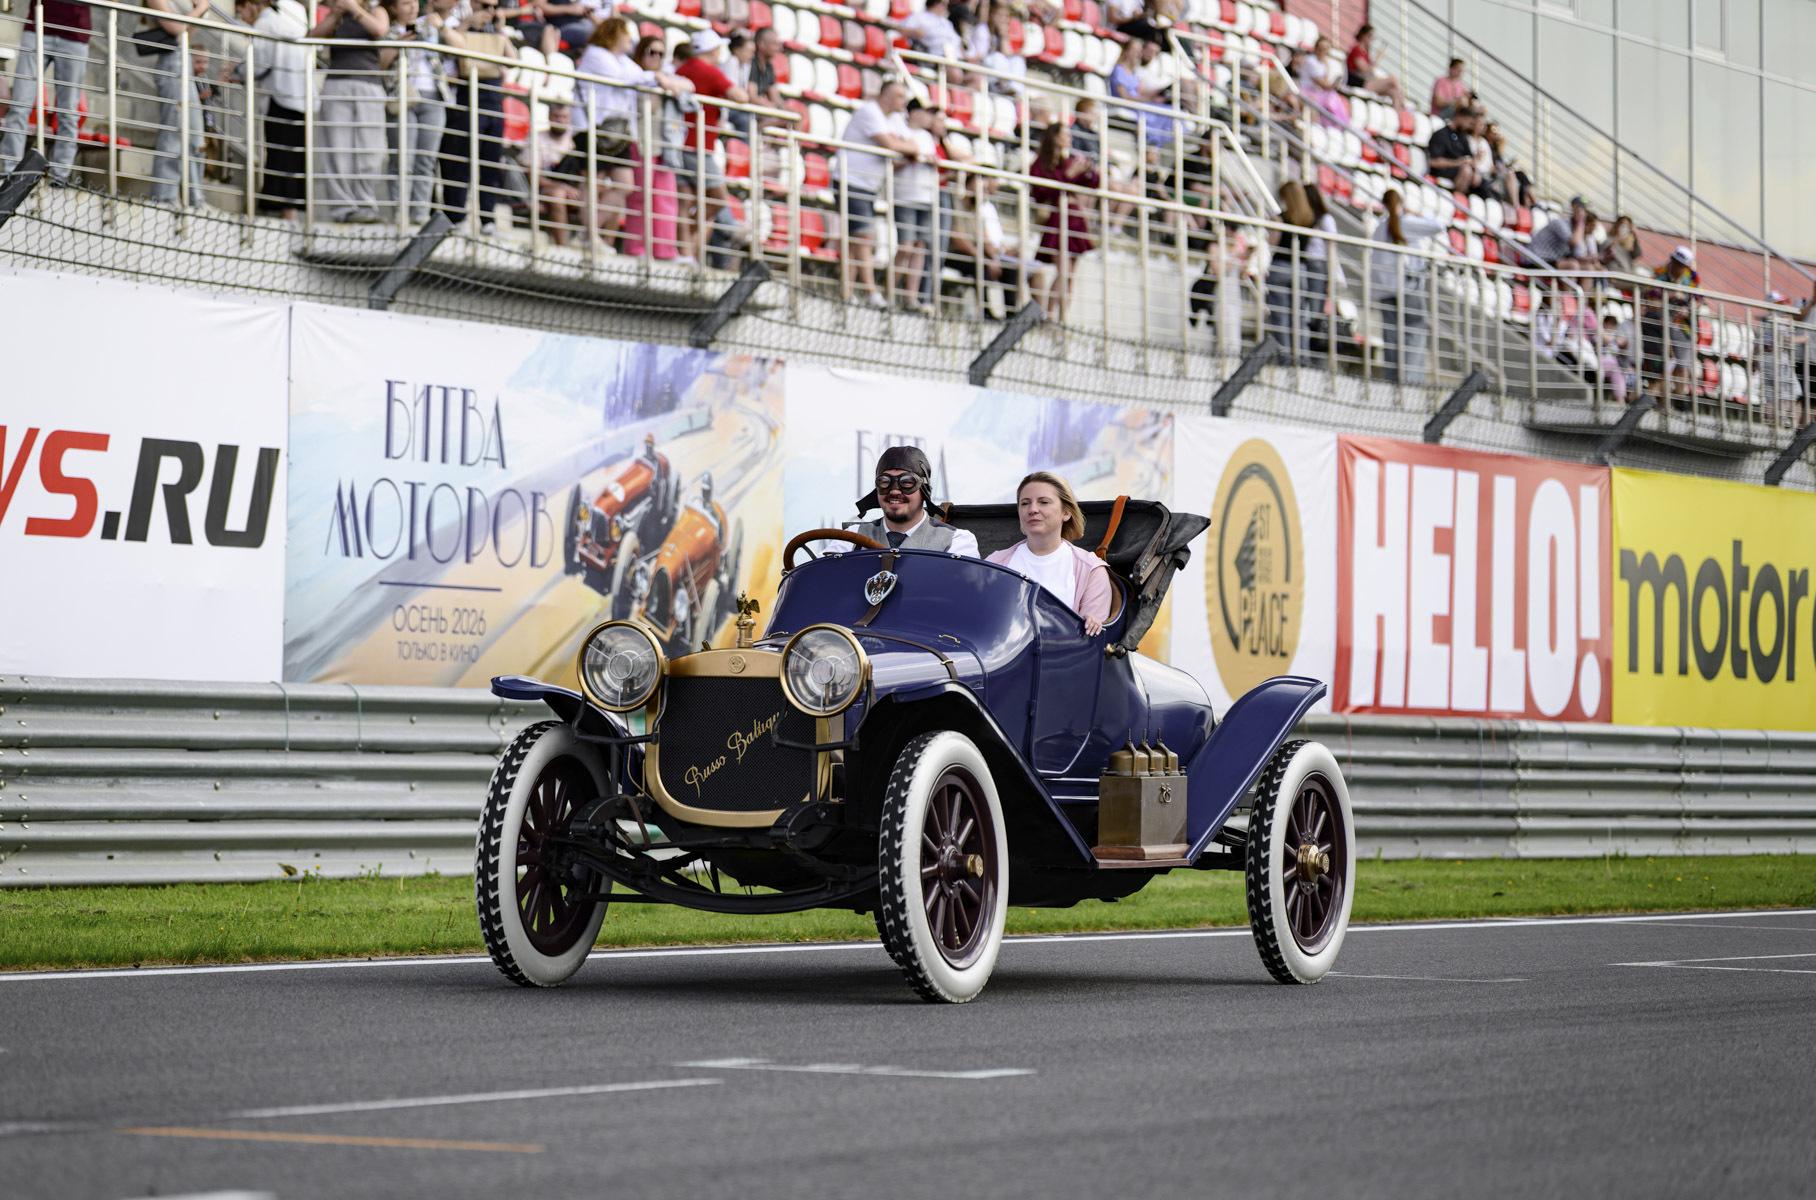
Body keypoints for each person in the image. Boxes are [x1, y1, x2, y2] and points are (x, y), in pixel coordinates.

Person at [987, 472, 1112, 637]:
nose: (1032, 509)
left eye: (1044, 502)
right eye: (1025, 503)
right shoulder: (994, 563)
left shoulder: (1091, 570)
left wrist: (1091, 621)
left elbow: (1088, 641)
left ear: (1066, 512)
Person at [310, 0, 396, 223]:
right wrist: (335, 15)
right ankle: (342, 208)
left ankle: (366, 204)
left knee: (370, 150)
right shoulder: (336, 15)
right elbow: (312, 37)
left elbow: (379, 30)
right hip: (336, 84)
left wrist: (354, 10)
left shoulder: (377, 11)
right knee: (337, 149)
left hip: (369, 85)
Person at [837, 78, 920, 306]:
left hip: (867, 185)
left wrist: (903, 146)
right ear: (887, 96)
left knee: (856, 240)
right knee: (864, 237)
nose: (904, 101)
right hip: (851, 181)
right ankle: (871, 291)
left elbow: (912, 145)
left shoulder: (893, 119)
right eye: (900, 96)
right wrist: (901, 146)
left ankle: (847, 293)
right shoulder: (869, 111)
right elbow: (892, 145)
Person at [229, 0, 311, 218]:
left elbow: (260, 64)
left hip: (280, 97)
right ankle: (290, 213)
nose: (242, 18)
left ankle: (283, 213)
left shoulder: (265, 23)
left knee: (279, 155)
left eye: (240, 11)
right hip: (300, 96)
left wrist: (237, 72)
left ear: (250, 5)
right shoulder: (293, 16)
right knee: (294, 156)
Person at [437, 0, 515, 230]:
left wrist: (500, 30)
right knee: (460, 162)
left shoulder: (496, 30)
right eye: (484, 5)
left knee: (490, 164)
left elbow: (512, 60)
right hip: (466, 99)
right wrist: (467, 23)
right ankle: (456, 217)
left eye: (494, 6)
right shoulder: (458, 24)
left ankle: (487, 219)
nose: (490, 10)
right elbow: (450, 48)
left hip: (493, 101)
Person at [672, 30, 748, 262]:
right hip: (698, 146)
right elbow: (741, 97)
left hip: (678, 142)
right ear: (713, 50)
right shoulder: (710, 72)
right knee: (717, 199)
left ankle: (684, 252)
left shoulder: (683, 69)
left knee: (685, 201)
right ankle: (688, 243)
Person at [0, 0, 94, 187]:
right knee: (19, 106)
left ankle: (60, 178)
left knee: (68, 113)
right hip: (38, 25)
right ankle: (10, 174)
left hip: (75, 33)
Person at [138, 0, 213, 205]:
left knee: (195, 136)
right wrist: (200, 8)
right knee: (174, 132)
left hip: (183, 62)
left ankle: (195, 197)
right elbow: (176, 27)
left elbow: (187, 32)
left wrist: (198, 10)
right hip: (171, 65)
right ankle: (165, 196)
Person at [1370, 187, 1447, 385]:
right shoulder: (1405, 222)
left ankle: (1392, 380)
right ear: (1401, 204)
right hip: (1407, 286)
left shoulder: (1379, 228)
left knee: (1391, 335)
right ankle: (1411, 381)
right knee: (1414, 330)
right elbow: (1438, 225)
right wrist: (1417, 213)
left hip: (1384, 290)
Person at [849, 446, 981, 557]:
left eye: (906, 482)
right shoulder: (851, 538)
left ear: (924, 489)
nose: (894, 491)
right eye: (884, 481)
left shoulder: (956, 542)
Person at [387, 0, 449, 225]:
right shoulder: (389, 30)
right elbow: (381, 62)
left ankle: (420, 213)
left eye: (415, 2)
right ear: (394, 8)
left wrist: (440, 27)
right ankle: (399, 211)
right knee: (402, 158)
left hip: (434, 96)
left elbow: (459, 48)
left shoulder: (430, 27)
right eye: (406, 3)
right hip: (402, 96)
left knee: (426, 160)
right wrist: (401, 43)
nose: (413, 7)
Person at [1029, 120, 1098, 320]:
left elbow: (1091, 183)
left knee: (1070, 275)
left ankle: (1061, 317)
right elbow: (1042, 191)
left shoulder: (1068, 160)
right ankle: (1050, 314)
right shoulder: (1041, 163)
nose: (1070, 137)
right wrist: (1070, 174)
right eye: (1066, 134)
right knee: (1064, 271)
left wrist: (1088, 171)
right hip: (1058, 218)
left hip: (1074, 218)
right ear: (1055, 137)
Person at [893, 99, 940, 313]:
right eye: (925, 112)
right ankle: (890, 290)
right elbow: (892, 162)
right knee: (906, 245)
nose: (928, 117)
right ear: (913, 113)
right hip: (905, 196)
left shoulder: (926, 137)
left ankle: (910, 298)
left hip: (926, 197)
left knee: (920, 247)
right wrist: (910, 159)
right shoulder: (898, 130)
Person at [1639, 245, 1700, 402]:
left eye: (1681, 265)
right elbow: (1651, 302)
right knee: (1663, 365)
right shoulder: (1659, 274)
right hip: (1659, 326)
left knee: (1681, 365)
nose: (1677, 267)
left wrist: (1687, 309)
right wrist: (1670, 296)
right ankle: (1660, 402)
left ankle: (1679, 402)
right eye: (1675, 262)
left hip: (1682, 326)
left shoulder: (1692, 279)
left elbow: (1698, 301)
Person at [1264, 180, 1317, 361]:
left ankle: (1285, 359)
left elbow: (1272, 242)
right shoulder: (1309, 219)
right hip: (1300, 269)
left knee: (1281, 317)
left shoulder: (1281, 218)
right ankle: (1302, 358)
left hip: (1281, 266)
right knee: (1299, 318)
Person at [1344, 24, 1404, 109]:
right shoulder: (1356, 50)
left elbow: (1369, 71)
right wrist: (1377, 58)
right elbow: (1364, 69)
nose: (1371, 39)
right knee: (1393, 79)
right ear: (1363, 35)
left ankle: (1399, 113)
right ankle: (1403, 104)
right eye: (1370, 36)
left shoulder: (1365, 52)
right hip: (1360, 83)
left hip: (1367, 82)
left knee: (1394, 92)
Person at [1424, 105, 1477, 197]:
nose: (1468, 126)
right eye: (1468, 122)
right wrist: (1457, 163)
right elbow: (1433, 162)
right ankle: (1457, 198)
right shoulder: (1441, 134)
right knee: (1466, 170)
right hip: (1441, 170)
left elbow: (1470, 157)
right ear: (1459, 117)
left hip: (1458, 172)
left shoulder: (1462, 137)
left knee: (1480, 181)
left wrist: (1475, 170)